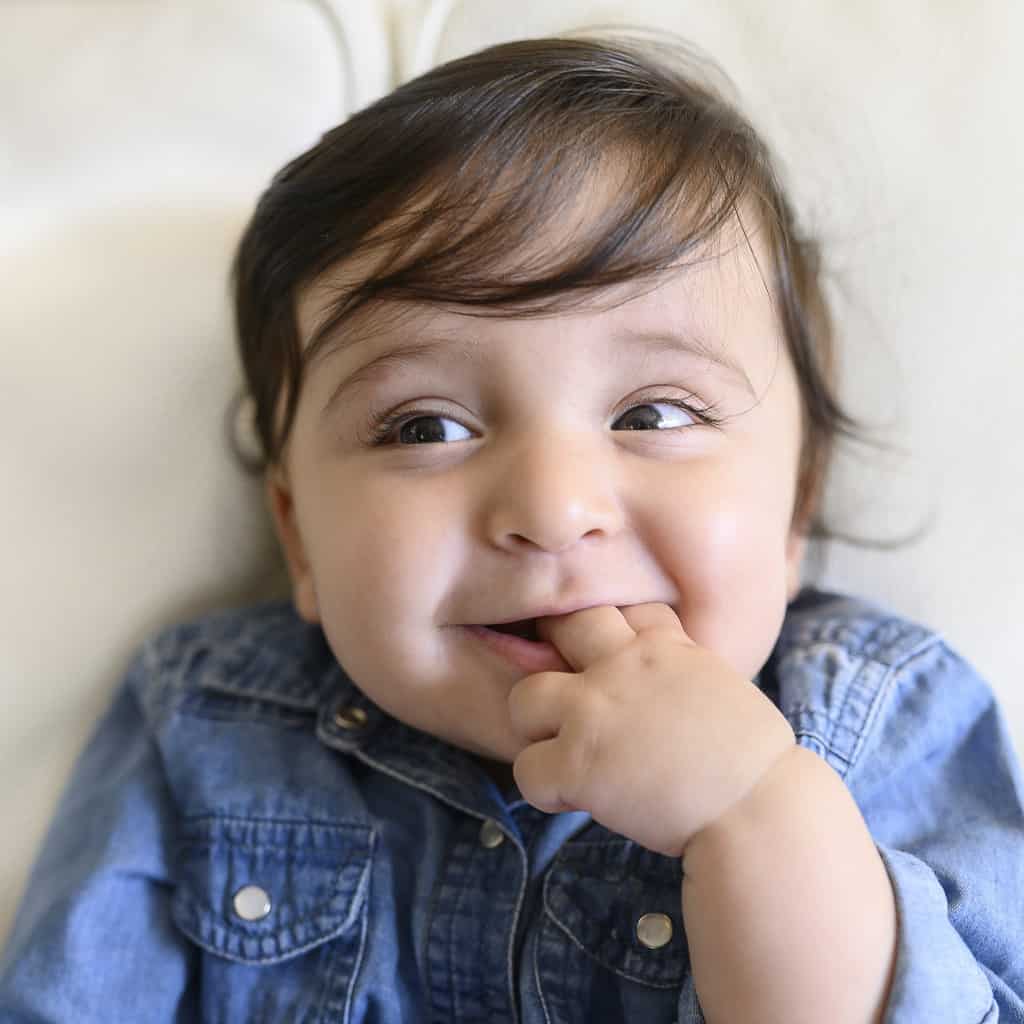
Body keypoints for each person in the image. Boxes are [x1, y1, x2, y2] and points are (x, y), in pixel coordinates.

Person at [2, 33, 1022, 1024]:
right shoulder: (205, 722)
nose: (550, 511)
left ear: (795, 507)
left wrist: (751, 809)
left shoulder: (880, 720)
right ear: (299, 536)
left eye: (652, 413)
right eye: (425, 427)